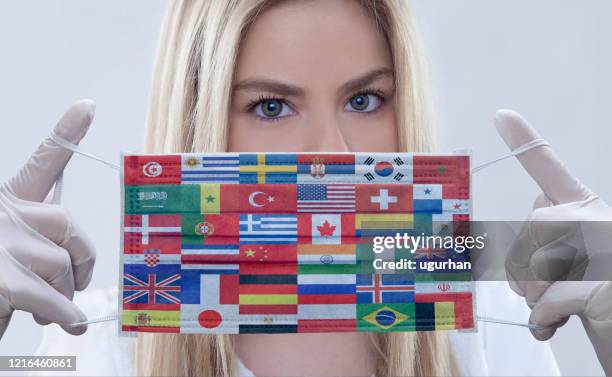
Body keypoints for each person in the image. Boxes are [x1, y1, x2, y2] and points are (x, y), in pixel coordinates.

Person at [0, 0, 610, 376]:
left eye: (364, 100)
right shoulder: (90, 347)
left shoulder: (486, 332)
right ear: (199, 122)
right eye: (270, 106)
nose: (333, 154)